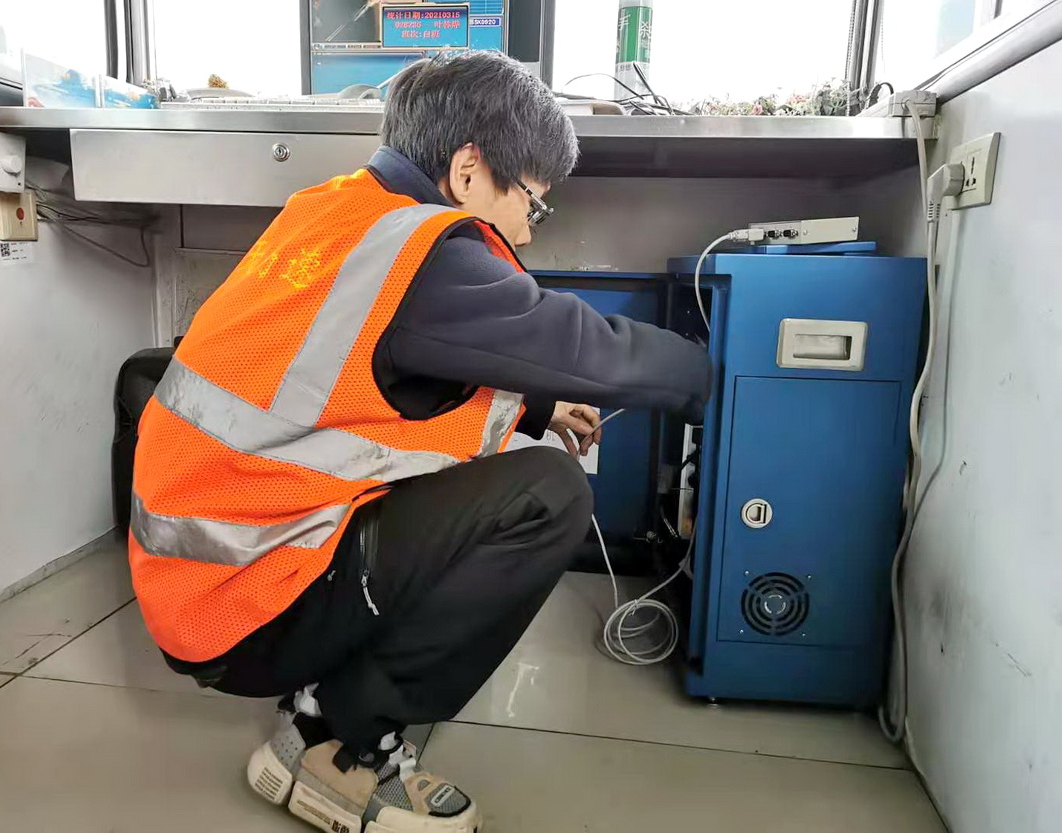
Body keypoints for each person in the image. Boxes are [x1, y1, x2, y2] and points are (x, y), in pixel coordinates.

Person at [129, 51, 711, 833]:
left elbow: (380, 375)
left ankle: (312, 707)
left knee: (479, 472)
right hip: (244, 606)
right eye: (533, 204)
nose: (525, 232)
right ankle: (346, 746)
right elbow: (582, 345)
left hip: (199, 578)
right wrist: (714, 372)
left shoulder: (335, 210)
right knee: (547, 494)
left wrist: (539, 405)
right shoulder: (425, 253)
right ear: (469, 171)